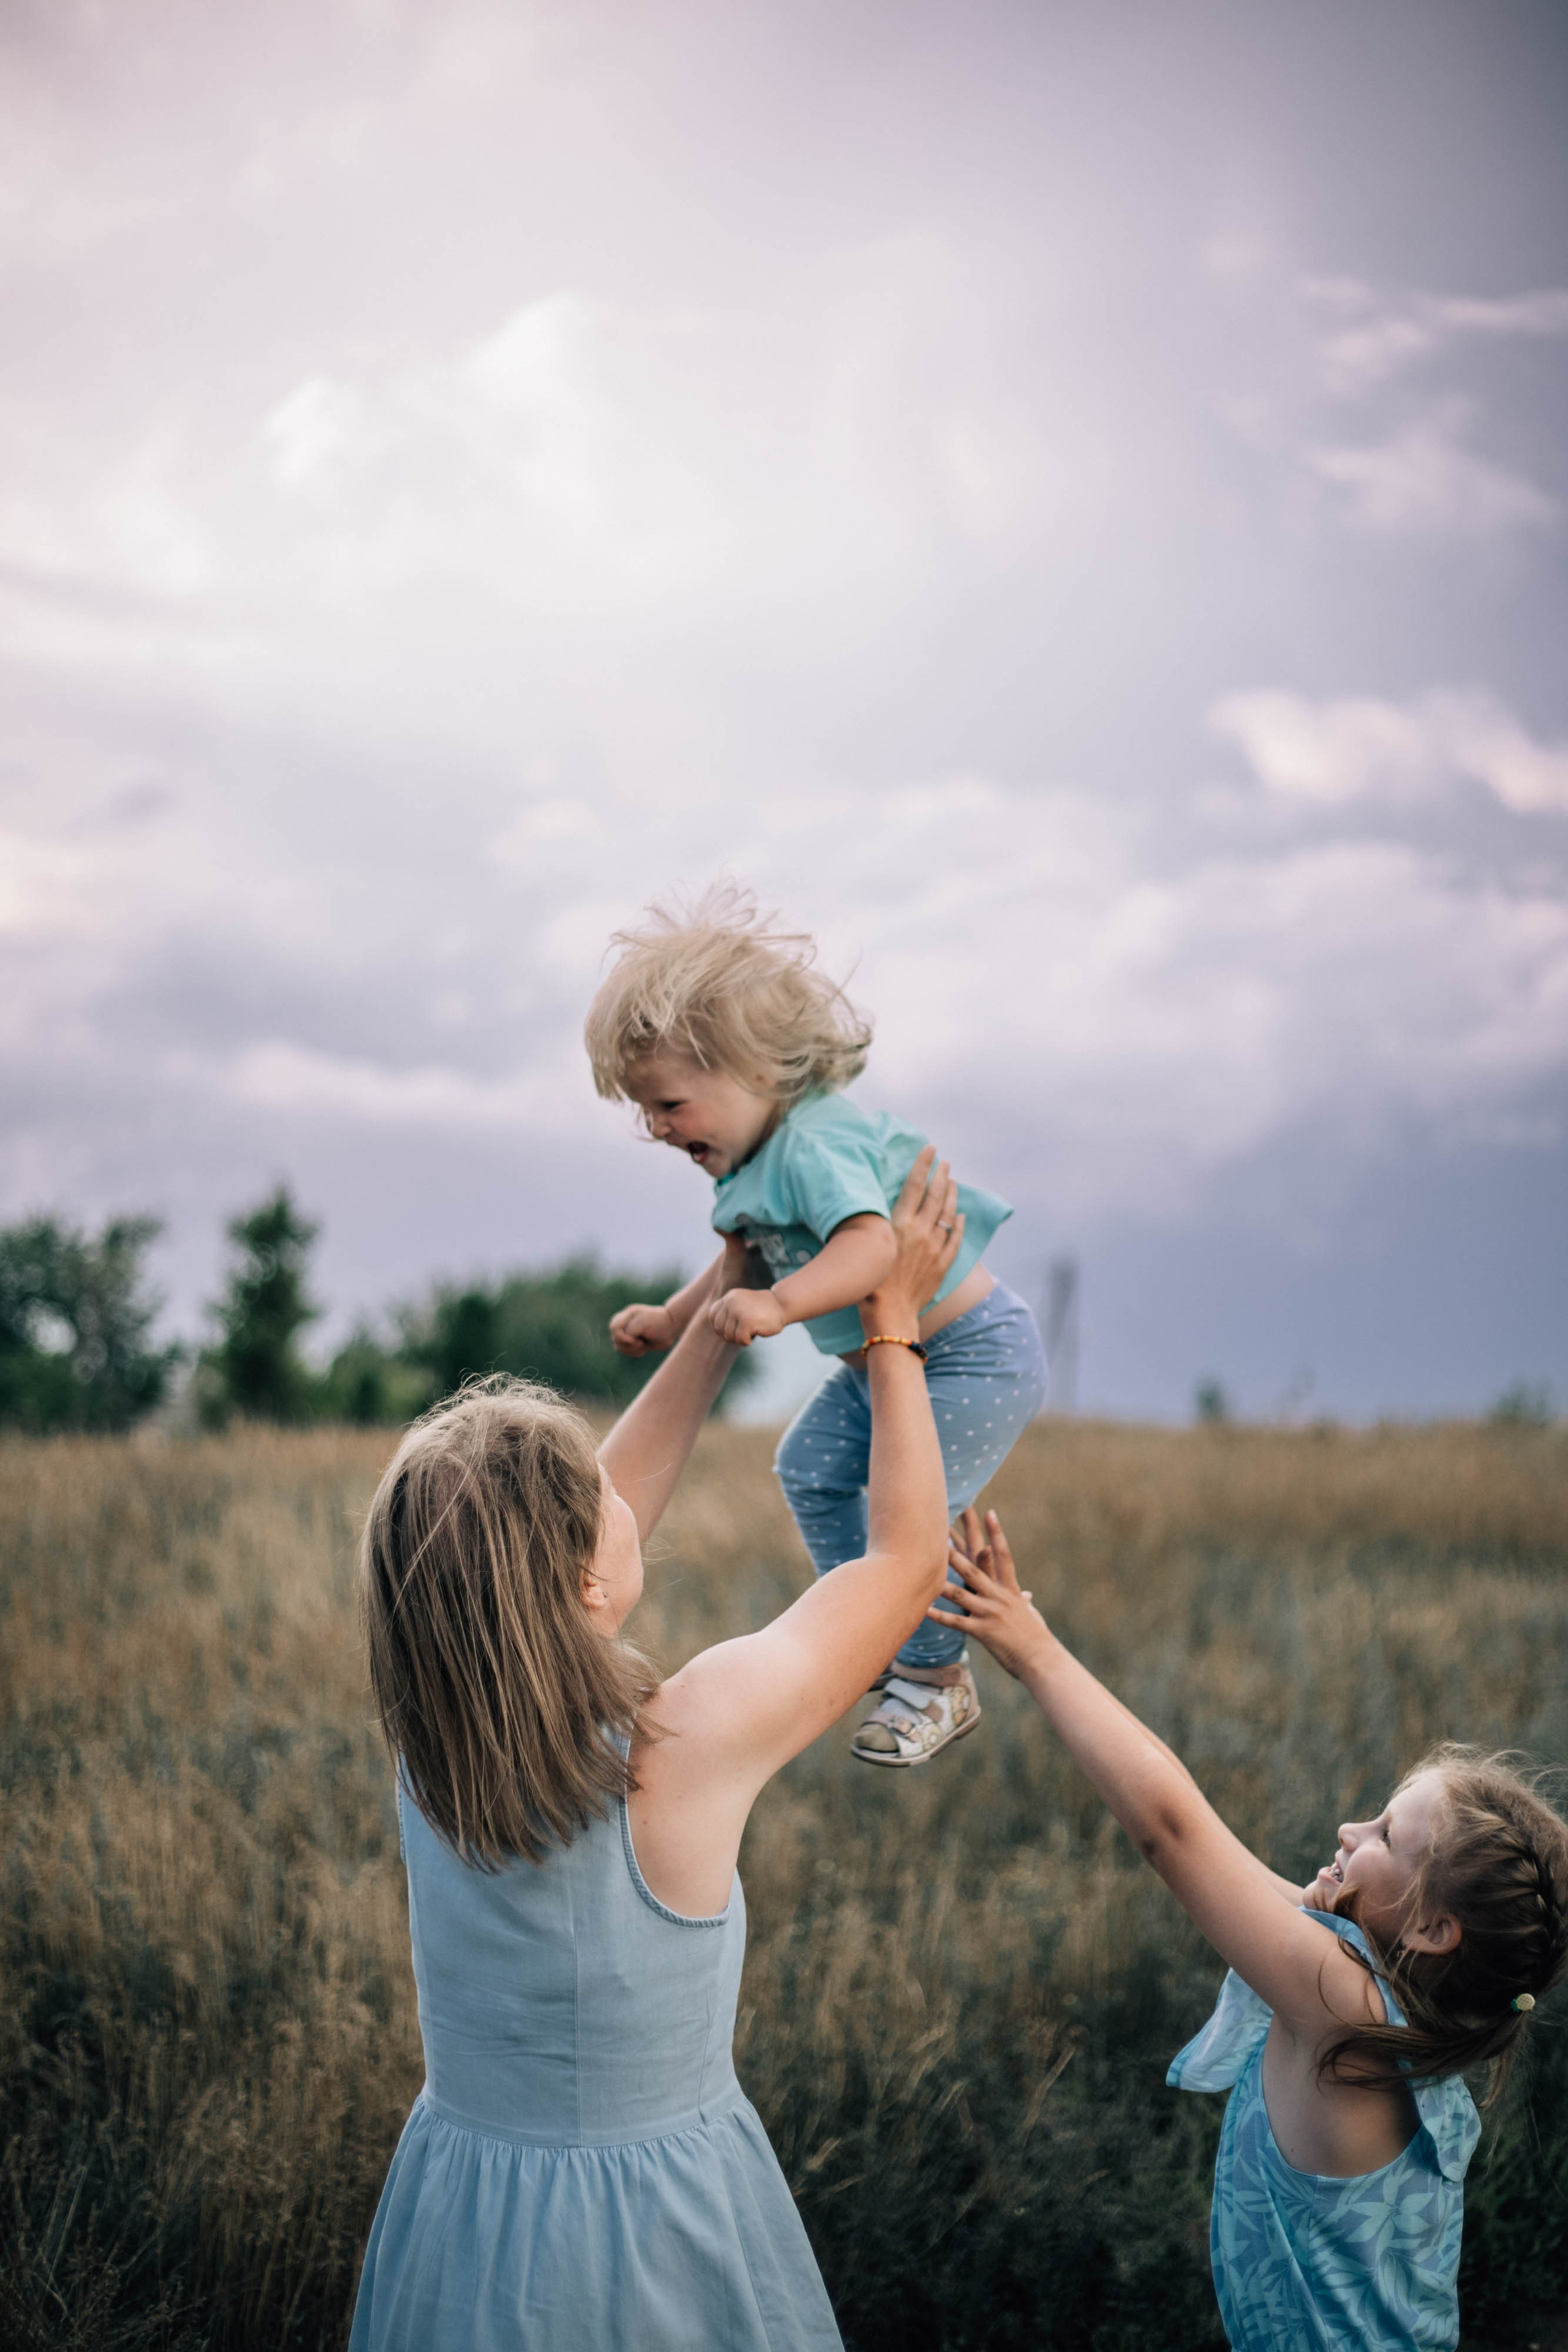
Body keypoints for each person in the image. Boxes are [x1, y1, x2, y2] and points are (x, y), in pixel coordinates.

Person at [347, 1153, 962, 2352]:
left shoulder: (434, 1736)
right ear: (584, 1578)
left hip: (465, 2220)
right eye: (599, 1500)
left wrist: (722, 1309)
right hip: (654, 2237)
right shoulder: (680, 1744)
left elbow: (539, 1549)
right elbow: (898, 1567)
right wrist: (893, 1328)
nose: (621, 1492)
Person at [932, 1507, 1568, 2352]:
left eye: (1384, 1837)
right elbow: (1216, 1854)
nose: (1348, 1834)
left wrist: (1037, 1652)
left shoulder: (1345, 2007)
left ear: (1434, 1930)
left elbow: (1174, 1832)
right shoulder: (1403, 2008)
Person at [584, 886, 1047, 1767]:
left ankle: (933, 1679)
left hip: (972, 1354)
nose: (656, 1127)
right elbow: (746, 1258)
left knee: (915, 1510)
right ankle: (867, 1633)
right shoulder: (757, 1162)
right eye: (643, 1111)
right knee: (808, 1468)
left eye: (671, 1104)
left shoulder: (815, 1141)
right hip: (885, 1363)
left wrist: (779, 1307)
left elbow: (873, 1246)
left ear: (754, 1070)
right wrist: (673, 1318)